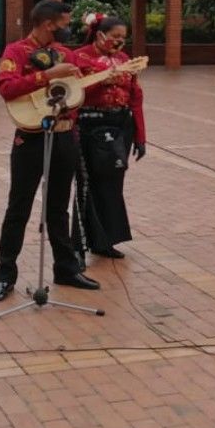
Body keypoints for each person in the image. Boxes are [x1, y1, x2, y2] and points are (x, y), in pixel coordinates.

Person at [0, 0, 100, 302]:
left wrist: (101, 80)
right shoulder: (16, 51)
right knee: (19, 207)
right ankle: (4, 275)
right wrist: (48, 75)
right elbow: (7, 88)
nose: (68, 29)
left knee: (58, 208)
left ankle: (65, 269)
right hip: (30, 138)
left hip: (64, 137)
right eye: (64, 23)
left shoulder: (66, 54)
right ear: (48, 24)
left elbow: (76, 93)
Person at [72, 13, 146, 260]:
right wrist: (102, 81)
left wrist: (140, 136)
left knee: (113, 184)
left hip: (120, 126)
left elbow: (135, 97)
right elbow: (73, 91)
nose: (119, 41)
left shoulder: (125, 60)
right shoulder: (79, 57)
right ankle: (80, 244)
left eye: (123, 37)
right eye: (115, 36)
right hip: (88, 125)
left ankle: (106, 241)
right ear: (100, 34)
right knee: (87, 185)